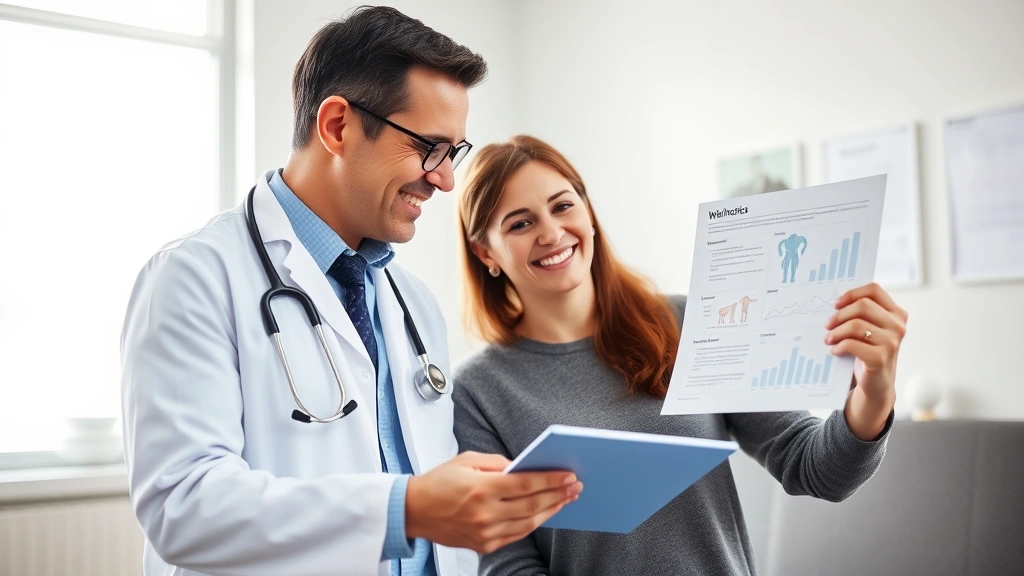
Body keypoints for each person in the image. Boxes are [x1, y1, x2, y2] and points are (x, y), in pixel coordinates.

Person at [120, 10, 581, 576]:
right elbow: (183, 509)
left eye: (453, 153)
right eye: (429, 148)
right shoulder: (193, 278)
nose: (444, 180)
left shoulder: (412, 302)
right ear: (338, 125)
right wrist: (405, 509)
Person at [453, 135, 907, 575]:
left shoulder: (690, 322)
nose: (552, 232)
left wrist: (875, 389)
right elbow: (506, 563)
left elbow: (816, 469)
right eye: (520, 222)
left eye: (562, 205)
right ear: (485, 252)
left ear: (589, 213)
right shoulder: (478, 392)